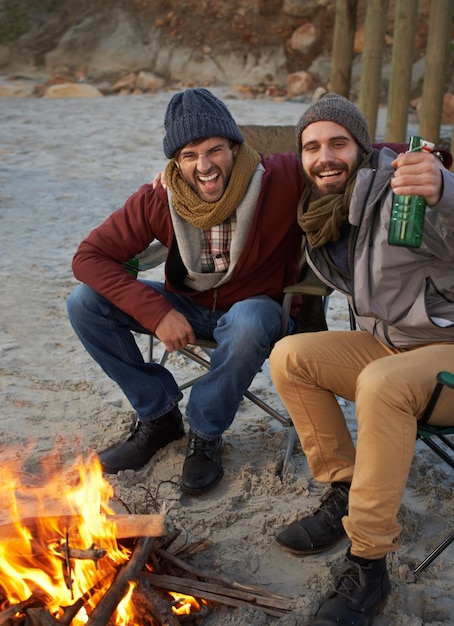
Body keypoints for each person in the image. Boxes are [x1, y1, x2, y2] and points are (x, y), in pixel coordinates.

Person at [269, 93, 454, 625]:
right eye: (312, 147)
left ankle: (368, 562)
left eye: (338, 143)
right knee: (290, 355)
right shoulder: (323, 212)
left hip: (443, 357)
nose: (324, 156)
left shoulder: (404, 187)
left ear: (361, 146)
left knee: (380, 383)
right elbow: (255, 163)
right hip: (393, 345)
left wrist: (443, 190)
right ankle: (345, 490)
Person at [66, 87, 305, 494]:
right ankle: (159, 416)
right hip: (187, 306)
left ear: (234, 146)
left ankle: (206, 433)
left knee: (247, 321)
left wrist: (423, 157)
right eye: (189, 156)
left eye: (214, 151)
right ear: (175, 161)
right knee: (84, 303)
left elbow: (349, 153)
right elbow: (88, 257)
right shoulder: (162, 196)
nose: (204, 166)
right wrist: (156, 313)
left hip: (258, 309)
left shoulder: (281, 177)